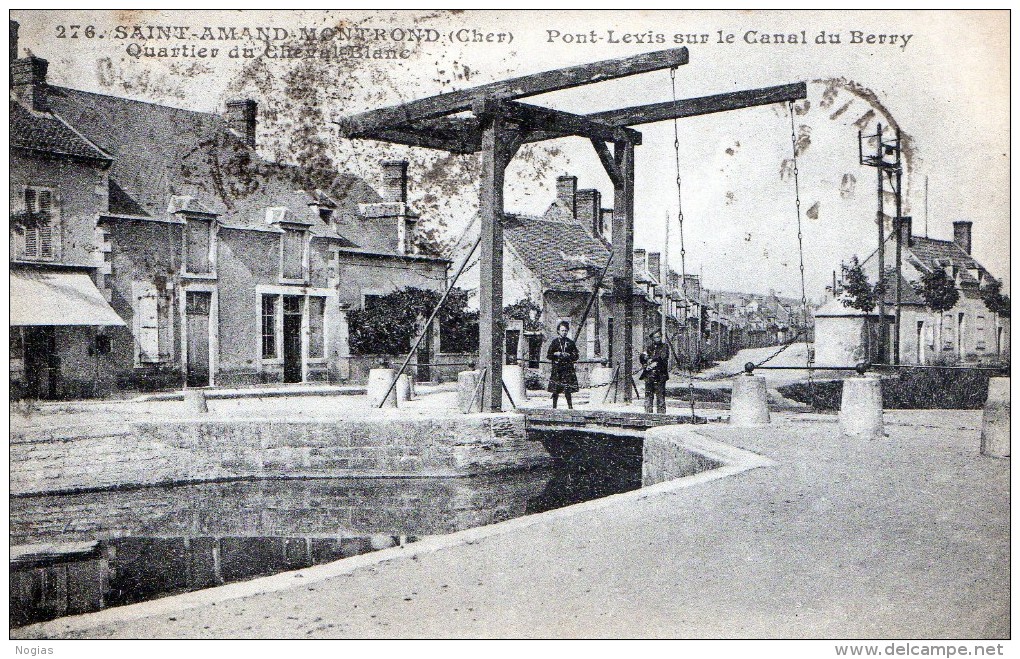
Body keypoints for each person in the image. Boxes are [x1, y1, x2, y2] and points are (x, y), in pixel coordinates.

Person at [546, 320, 579, 409]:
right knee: (555, 390)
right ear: (558, 331)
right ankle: (554, 407)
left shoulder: (571, 342)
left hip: (567, 369)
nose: (564, 332)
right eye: (562, 330)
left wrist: (570, 355)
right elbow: (548, 355)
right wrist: (555, 354)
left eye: (565, 331)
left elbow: (576, 355)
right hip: (557, 369)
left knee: (567, 390)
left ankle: (570, 407)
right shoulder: (555, 342)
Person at [639, 329, 671, 413]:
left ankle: (661, 416)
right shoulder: (649, 348)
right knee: (648, 396)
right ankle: (647, 414)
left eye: (659, 337)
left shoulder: (665, 347)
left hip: (660, 375)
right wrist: (645, 360)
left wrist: (652, 360)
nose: (658, 339)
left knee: (660, 397)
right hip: (649, 376)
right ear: (652, 339)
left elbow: (662, 358)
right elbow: (642, 358)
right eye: (656, 337)